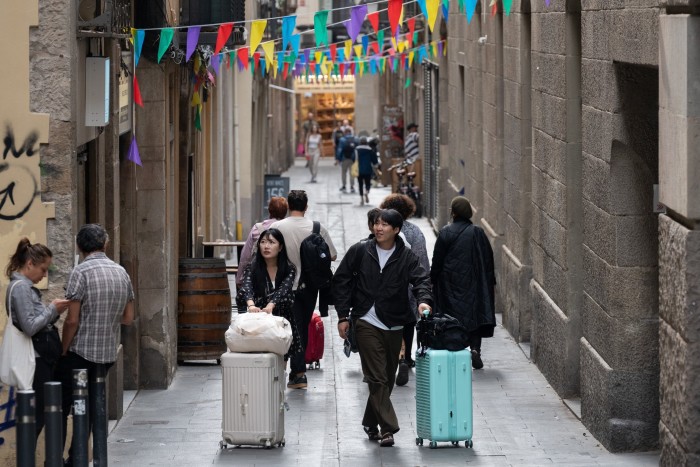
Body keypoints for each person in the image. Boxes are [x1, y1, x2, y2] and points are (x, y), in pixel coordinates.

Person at [333, 209, 432, 447]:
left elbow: (421, 280)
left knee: (387, 378)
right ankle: (387, 428)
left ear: (396, 230)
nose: (379, 228)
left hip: (394, 321)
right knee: (376, 375)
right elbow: (341, 280)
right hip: (365, 319)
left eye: (385, 225)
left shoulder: (406, 256)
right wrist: (342, 316)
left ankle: (370, 421)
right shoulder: (360, 250)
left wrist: (423, 301)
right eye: (376, 223)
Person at [57, 224, 135, 464]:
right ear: (105, 244)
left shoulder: (80, 272)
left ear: (79, 246)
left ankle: (60, 456)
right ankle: (78, 455)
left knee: (60, 404)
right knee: (92, 404)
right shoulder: (121, 272)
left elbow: (72, 320)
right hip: (107, 353)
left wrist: (63, 349)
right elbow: (128, 318)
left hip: (80, 352)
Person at [271, 190, 337, 389]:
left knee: (282, 327)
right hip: (309, 287)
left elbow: (264, 252)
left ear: (289, 206)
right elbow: (332, 255)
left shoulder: (277, 227)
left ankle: (284, 369)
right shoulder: (317, 228)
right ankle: (298, 373)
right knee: (301, 328)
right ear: (306, 207)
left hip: (282, 286)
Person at [4, 238, 69, 438]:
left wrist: (54, 312)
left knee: (42, 413)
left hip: (41, 357)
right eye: (43, 269)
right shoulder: (21, 288)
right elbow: (30, 327)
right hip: (36, 358)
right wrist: (52, 309)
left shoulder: (25, 287)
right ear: (30, 263)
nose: (44, 275)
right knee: (39, 415)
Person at [430, 197, 496, 370]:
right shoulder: (478, 233)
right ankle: (475, 349)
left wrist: (432, 279)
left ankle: (453, 347)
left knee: (451, 317)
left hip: (449, 284)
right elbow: (488, 260)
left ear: (453, 212)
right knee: (473, 316)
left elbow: (437, 260)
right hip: (472, 283)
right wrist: (489, 283)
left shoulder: (445, 232)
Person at [379, 194, 430, 386]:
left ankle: (392, 357)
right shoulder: (415, 232)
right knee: (409, 322)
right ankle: (406, 357)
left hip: (389, 286)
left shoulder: (384, 231)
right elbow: (422, 259)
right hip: (410, 285)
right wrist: (424, 286)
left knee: (389, 323)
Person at [237, 228, 302, 361]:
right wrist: (251, 305)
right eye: (263, 242)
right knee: (260, 357)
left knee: (281, 359)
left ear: (280, 247)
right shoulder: (252, 267)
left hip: (281, 317)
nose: (266, 246)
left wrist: (271, 305)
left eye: (271, 242)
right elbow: (246, 286)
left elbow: (284, 289)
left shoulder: (289, 268)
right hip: (258, 319)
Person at [236, 197, 289, 288]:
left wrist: (240, 278)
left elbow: (246, 255)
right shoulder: (288, 229)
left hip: (259, 276)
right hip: (283, 276)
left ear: (269, 210)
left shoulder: (257, 228)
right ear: (285, 212)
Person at [355, 137, 378, 206]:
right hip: (368, 169)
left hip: (359, 169)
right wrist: (376, 165)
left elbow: (354, 158)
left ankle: (361, 198)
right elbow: (374, 160)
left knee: (360, 184)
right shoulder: (370, 149)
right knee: (368, 183)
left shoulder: (357, 149)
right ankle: (367, 192)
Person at [336, 129, 356, 193]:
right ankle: (352, 186)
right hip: (352, 159)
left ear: (345, 133)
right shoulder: (355, 139)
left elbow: (339, 150)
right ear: (350, 132)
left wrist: (338, 158)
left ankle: (344, 186)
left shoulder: (342, 139)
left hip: (344, 158)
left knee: (344, 173)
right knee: (352, 173)